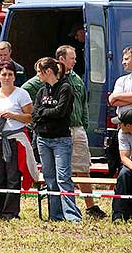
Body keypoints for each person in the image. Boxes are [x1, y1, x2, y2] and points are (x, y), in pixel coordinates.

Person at [56, 45, 107, 218]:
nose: (75, 61)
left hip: (77, 129)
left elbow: (83, 102)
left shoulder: (76, 78)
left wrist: (83, 124)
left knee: (83, 167)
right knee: (62, 170)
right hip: (60, 130)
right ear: (61, 59)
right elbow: (28, 90)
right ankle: (63, 207)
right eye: (72, 58)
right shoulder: (51, 76)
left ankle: (90, 206)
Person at [0, 61, 36, 220]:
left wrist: (13, 115)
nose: (6, 77)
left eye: (9, 74)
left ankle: (11, 213)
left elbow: (31, 117)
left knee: (13, 177)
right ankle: (0, 210)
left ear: (14, 77)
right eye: (3, 74)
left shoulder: (22, 94)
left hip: (15, 139)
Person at [32, 57, 82, 222]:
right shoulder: (41, 91)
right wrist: (46, 113)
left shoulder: (65, 88)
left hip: (61, 139)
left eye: (39, 71)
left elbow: (61, 112)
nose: (38, 75)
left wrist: (44, 113)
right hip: (43, 139)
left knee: (63, 177)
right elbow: (35, 113)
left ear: (48, 71)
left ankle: (72, 216)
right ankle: (55, 215)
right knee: (50, 178)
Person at [110, 109, 132, 222]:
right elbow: (124, 157)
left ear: (128, 125)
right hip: (130, 163)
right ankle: (119, 215)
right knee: (124, 174)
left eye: (120, 123)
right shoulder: (122, 133)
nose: (118, 125)